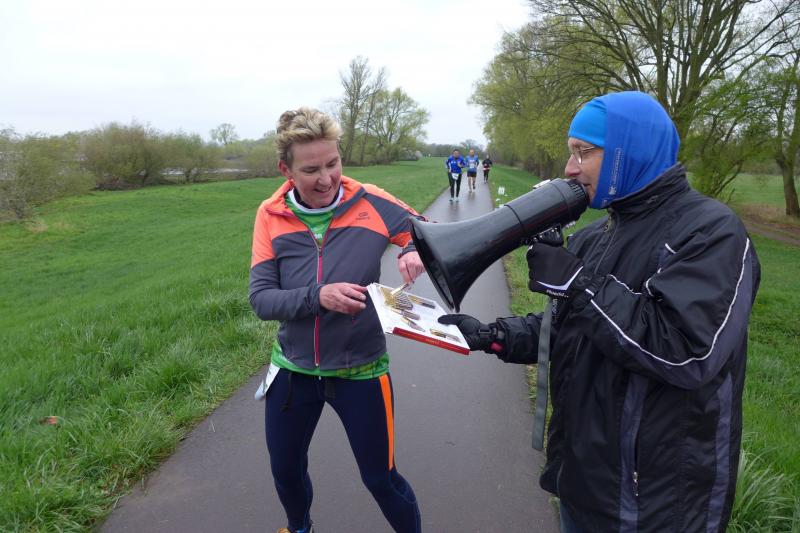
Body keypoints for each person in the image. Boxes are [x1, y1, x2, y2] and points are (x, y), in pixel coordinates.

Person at [439, 91, 760, 532]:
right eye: (570, 153)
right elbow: (572, 328)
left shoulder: (710, 232)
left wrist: (579, 284)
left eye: (583, 152)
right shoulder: (596, 236)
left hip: (657, 505)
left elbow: (687, 353)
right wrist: (494, 335)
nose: (570, 168)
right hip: (584, 485)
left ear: (631, 151)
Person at [249, 107, 425, 533]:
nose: (326, 179)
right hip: (294, 370)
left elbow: (427, 231)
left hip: (362, 370)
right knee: (286, 470)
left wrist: (412, 249)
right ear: (286, 170)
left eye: (333, 163)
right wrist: (319, 296)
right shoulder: (271, 215)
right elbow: (262, 300)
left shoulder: (371, 201)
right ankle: (300, 528)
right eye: (311, 170)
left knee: (381, 479)